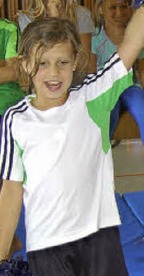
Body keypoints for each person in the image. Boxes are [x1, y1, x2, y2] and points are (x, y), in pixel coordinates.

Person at [0, 3, 144, 274]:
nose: (53, 73)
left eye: (62, 62)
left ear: (76, 61)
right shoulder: (16, 119)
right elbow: (11, 192)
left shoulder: (92, 96)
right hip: (46, 245)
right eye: (42, 63)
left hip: (99, 235)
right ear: (25, 64)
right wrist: (1, 256)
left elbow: (132, 44)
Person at [92, 0, 144, 205]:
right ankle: (101, 178)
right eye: (112, 7)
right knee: (107, 119)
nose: (119, 12)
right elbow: (91, 74)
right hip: (107, 91)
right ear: (101, 9)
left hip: (130, 88)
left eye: (123, 6)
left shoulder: (135, 36)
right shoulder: (96, 38)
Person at [0, 17, 25, 260]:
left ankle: (6, 244)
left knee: (6, 176)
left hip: (5, 105)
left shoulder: (7, 29)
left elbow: (13, 71)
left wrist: (6, 70)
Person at [17, 0, 96, 73]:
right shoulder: (26, 18)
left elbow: (83, 62)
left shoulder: (82, 14)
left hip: (73, 76)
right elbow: (34, 61)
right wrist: (53, 18)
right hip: (39, 76)